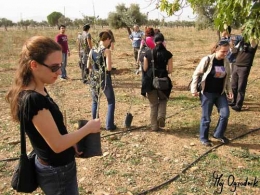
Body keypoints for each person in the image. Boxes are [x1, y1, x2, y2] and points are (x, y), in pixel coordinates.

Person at [5, 36, 101, 195]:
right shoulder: (34, 99)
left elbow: (52, 135)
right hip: (57, 171)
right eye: (54, 67)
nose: (59, 71)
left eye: (61, 65)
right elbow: (57, 145)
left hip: (53, 165)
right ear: (34, 65)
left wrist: (72, 142)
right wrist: (88, 128)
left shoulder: (38, 88)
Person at [191, 40, 233, 146]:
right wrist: (194, 89)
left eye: (227, 51)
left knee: (225, 114)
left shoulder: (226, 61)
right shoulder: (208, 60)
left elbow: (227, 77)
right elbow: (196, 74)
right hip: (207, 93)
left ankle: (218, 134)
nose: (225, 53)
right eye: (223, 51)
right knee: (206, 117)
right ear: (217, 49)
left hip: (220, 93)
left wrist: (229, 91)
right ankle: (203, 138)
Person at [142, 33, 173, 131]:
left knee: (153, 104)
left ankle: (154, 127)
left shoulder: (148, 53)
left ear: (154, 42)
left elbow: (145, 68)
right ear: (163, 41)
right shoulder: (168, 54)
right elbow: (170, 70)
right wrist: (163, 72)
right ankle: (161, 116)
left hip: (150, 81)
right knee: (163, 99)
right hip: (163, 81)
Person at [87, 31, 117, 131]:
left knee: (95, 101)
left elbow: (88, 66)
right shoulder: (106, 51)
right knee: (111, 101)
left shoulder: (92, 50)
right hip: (104, 77)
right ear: (107, 39)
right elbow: (108, 68)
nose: (110, 43)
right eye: (110, 41)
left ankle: (95, 124)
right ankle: (109, 125)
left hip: (94, 77)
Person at [229, 35, 258, 111]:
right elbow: (234, 51)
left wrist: (252, 32)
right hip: (236, 65)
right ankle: (234, 101)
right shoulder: (241, 42)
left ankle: (238, 105)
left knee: (241, 86)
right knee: (234, 85)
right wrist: (231, 44)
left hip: (244, 67)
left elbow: (252, 43)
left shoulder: (253, 43)